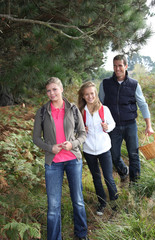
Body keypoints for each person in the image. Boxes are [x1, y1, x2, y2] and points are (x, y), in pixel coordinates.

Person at [33, 77, 89, 240]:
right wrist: (50, 148)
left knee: (78, 200)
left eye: (54, 89)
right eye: (48, 91)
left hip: (73, 159)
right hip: (53, 163)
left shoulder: (72, 108)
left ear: (61, 89)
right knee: (53, 206)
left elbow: (82, 133)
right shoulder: (42, 112)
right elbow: (36, 138)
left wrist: (73, 144)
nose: (51, 93)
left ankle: (81, 234)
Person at [99, 54, 154, 183]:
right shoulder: (105, 84)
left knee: (134, 155)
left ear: (126, 66)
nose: (117, 69)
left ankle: (135, 185)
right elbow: (99, 105)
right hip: (113, 126)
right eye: (115, 66)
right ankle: (124, 171)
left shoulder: (134, 84)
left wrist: (149, 125)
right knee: (114, 155)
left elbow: (142, 104)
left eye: (120, 65)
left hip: (130, 125)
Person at [78, 81, 118, 216]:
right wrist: (82, 129)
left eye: (92, 94)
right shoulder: (81, 112)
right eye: (87, 94)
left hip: (104, 148)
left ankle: (114, 201)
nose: (90, 97)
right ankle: (102, 203)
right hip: (89, 150)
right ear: (83, 96)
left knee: (108, 177)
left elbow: (112, 124)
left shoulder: (104, 109)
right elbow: (77, 130)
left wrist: (107, 127)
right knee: (96, 177)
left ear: (96, 94)